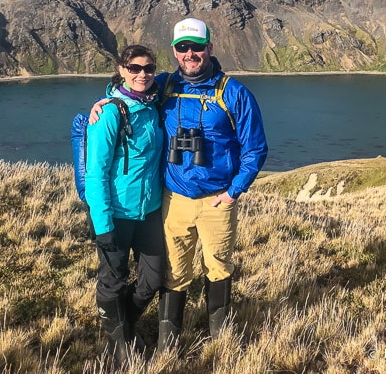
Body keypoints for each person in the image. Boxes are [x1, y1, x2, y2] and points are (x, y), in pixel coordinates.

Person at [91, 18, 268, 348]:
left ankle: (220, 337)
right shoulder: (164, 85)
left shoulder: (234, 92)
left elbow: (255, 147)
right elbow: (130, 88)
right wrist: (102, 102)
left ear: (209, 48)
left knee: (218, 266)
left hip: (218, 199)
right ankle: (168, 342)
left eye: (197, 47)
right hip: (173, 198)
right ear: (174, 51)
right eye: (183, 47)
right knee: (174, 272)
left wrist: (233, 193)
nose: (190, 53)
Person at [85, 44, 165, 366]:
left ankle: (124, 322)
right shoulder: (108, 114)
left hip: (149, 212)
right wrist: (102, 225)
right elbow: (96, 174)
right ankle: (120, 342)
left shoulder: (156, 104)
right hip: (116, 214)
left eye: (147, 68)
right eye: (134, 68)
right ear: (121, 70)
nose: (142, 74)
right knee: (113, 280)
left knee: (154, 278)